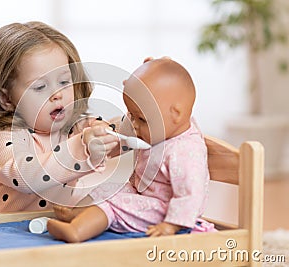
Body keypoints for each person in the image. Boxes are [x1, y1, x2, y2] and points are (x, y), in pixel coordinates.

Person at [47, 57, 211, 242]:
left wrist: (171, 224)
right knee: (108, 189)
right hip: (142, 194)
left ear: (176, 114)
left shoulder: (185, 151)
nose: (134, 125)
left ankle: (77, 230)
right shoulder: (164, 129)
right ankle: (78, 213)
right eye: (131, 115)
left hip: (165, 210)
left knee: (115, 204)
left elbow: (191, 193)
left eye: (141, 119)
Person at [0, 21, 118, 212]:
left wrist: (143, 112)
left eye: (64, 81)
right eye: (40, 87)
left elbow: (116, 134)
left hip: (46, 221)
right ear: (6, 98)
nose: (57, 94)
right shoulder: (2, 138)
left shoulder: (73, 127)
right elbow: (26, 176)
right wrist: (83, 146)